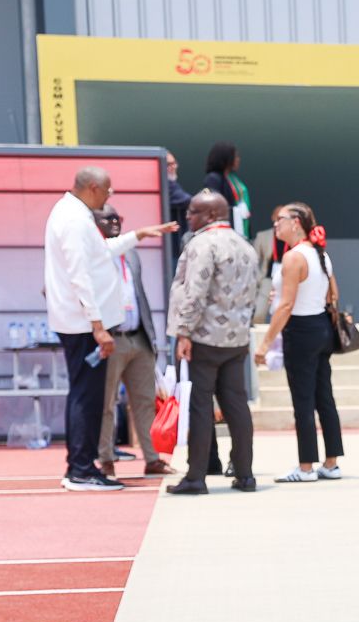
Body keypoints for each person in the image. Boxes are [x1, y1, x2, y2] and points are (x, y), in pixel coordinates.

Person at [44, 167, 173, 492]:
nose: (109, 197)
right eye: (108, 191)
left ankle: (81, 467)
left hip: (82, 323)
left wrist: (138, 234)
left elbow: (101, 253)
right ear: (92, 187)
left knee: (86, 396)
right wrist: (98, 326)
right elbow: (79, 275)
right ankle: (81, 470)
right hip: (83, 325)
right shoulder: (74, 219)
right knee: (87, 398)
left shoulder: (74, 214)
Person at [165, 190, 260, 494]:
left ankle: (196, 476)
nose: (187, 216)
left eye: (193, 212)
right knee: (237, 405)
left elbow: (195, 293)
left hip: (203, 338)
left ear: (211, 215)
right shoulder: (245, 246)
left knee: (200, 406)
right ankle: (245, 474)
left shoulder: (202, 244)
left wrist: (183, 332)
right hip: (236, 339)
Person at [254, 203, 345, 482]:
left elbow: (286, 306)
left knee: (303, 400)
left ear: (295, 222)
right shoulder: (319, 253)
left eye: (280, 219)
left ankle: (306, 466)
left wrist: (264, 344)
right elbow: (333, 294)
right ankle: (331, 463)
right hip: (320, 327)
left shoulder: (294, 257)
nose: (276, 225)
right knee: (324, 397)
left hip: (301, 330)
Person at [90, 206, 168, 478]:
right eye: (108, 218)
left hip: (138, 336)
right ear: (94, 222)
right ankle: (106, 458)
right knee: (106, 403)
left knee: (145, 401)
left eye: (118, 218)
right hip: (112, 338)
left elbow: (139, 294)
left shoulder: (131, 253)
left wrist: (152, 337)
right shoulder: (94, 253)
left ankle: (152, 458)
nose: (114, 222)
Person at [202, 142, 251, 241]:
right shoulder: (213, 179)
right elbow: (215, 206)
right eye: (236, 156)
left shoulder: (230, 178)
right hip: (222, 233)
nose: (238, 159)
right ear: (225, 158)